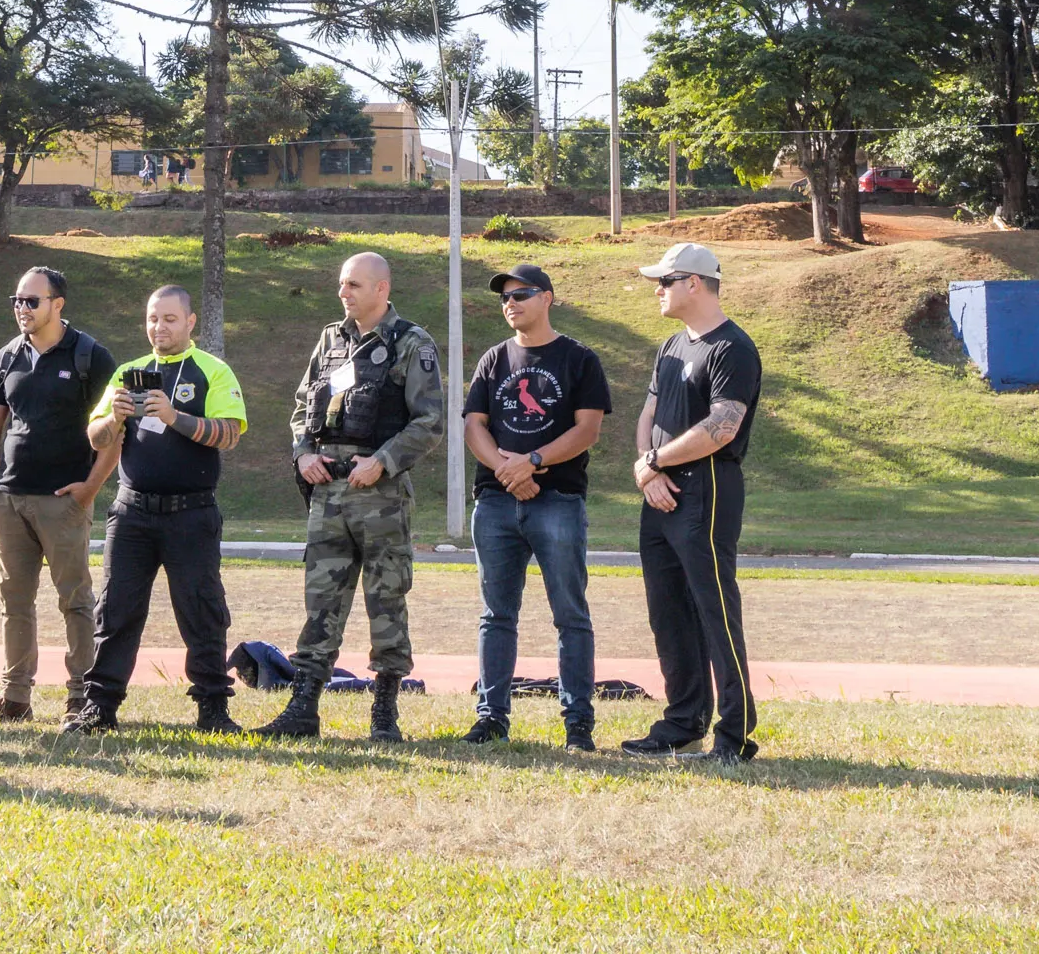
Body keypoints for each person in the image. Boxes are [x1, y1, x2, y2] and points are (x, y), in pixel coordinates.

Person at [259, 249, 445, 743]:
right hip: (328, 493)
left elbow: (430, 422)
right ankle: (303, 708)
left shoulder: (411, 343)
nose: (343, 293)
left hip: (380, 496)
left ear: (382, 289)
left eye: (354, 285)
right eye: (342, 284)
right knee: (321, 603)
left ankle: (384, 713)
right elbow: (303, 406)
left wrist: (382, 460)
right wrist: (302, 455)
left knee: (387, 602)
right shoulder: (330, 339)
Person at [63, 284, 246, 737]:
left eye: (168, 319)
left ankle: (213, 709)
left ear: (190, 322)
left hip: (191, 512)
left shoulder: (212, 371)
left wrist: (173, 417)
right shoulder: (129, 371)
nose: (158, 328)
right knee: (116, 609)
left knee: (202, 610)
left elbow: (229, 434)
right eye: (151, 319)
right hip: (133, 512)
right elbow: (96, 438)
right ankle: (99, 708)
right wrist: (115, 417)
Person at [460, 262, 611, 750]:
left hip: (559, 501)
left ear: (547, 298)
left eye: (521, 294)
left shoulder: (578, 359)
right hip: (497, 503)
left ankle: (577, 724)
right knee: (495, 614)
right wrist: (508, 470)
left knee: (570, 613)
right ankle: (491, 718)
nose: (511, 303)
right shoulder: (493, 359)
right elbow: (474, 427)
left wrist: (534, 461)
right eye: (504, 297)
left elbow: (587, 429)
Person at [623, 241, 764, 763]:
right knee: (668, 612)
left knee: (714, 610)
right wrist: (646, 469)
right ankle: (683, 721)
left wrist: (657, 462)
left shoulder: (732, 348)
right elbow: (650, 414)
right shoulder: (670, 347)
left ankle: (734, 733)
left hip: (706, 490)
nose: (657, 290)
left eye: (665, 281)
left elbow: (722, 428)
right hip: (658, 493)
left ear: (694, 284)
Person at [0, 265, 117, 721]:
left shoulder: (90, 355)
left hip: (64, 500)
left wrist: (90, 489)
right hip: (11, 498)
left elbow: (115, 433)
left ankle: (82, 697)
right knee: (14, 602)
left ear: (58, 304)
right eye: (17, 300)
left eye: (32, 301)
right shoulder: (7, 357)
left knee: (74, 600)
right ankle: (15, 699)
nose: (22, 309)